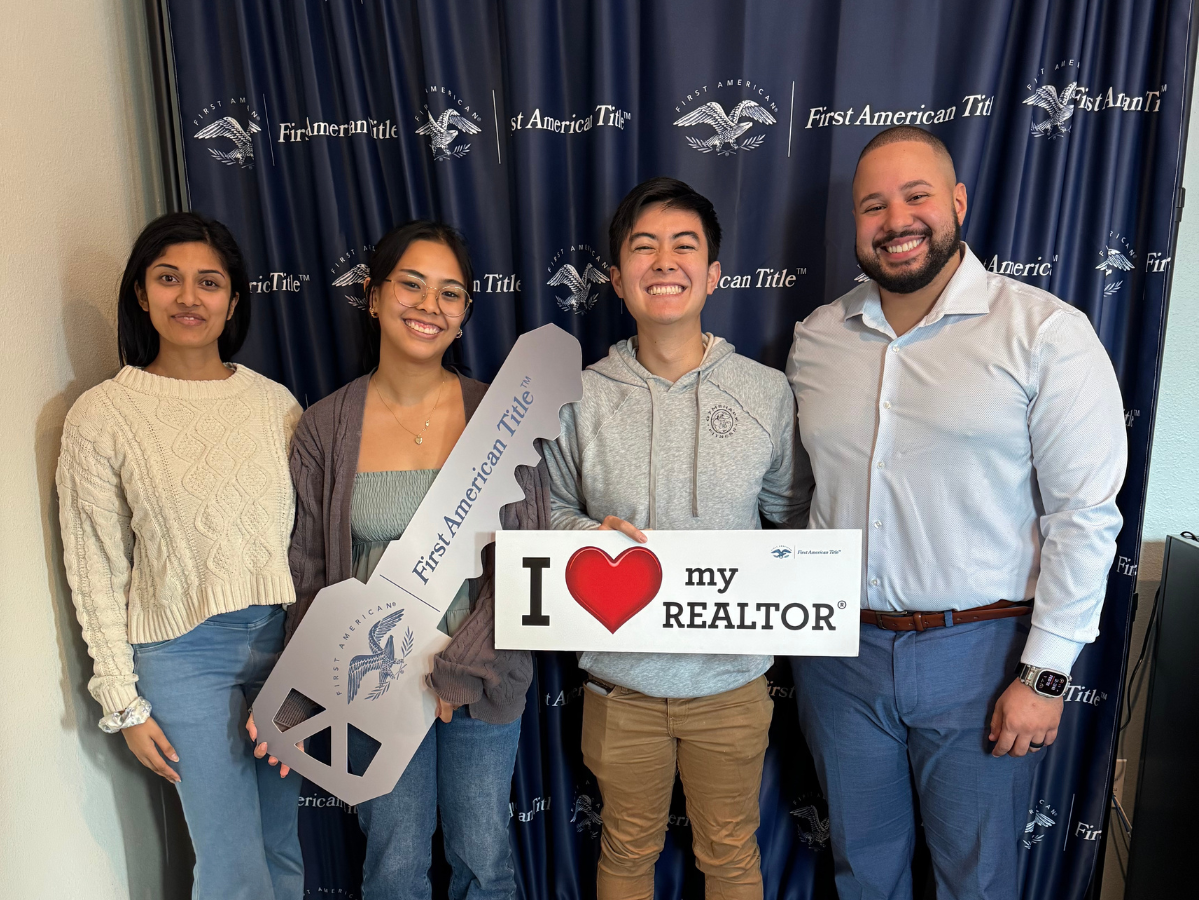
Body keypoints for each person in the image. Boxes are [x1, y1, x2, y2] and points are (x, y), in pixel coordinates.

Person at [786, 125, 1127, 900]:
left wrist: (1045, 675)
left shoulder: (1044, 332)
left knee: (978, 881)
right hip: (838, 656)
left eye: (916, 196)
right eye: (873, 205)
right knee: (863, 873)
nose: (895, 219)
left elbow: (1084, 515)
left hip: (983, 656)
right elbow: (800, 497)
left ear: (958, 202)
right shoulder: (816, 339)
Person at [542, 177, 810, 900]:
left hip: (730, 686)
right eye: (645, 246)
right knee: (626, 853)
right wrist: (586, 534)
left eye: (684, 246)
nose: (665, 261)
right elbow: (552, 508)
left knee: (730, 855)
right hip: (619, 686)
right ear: (618, 277)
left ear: (714, 274)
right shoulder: (579, 395)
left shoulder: (764, 392)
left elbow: (791, 518)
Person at [272, 221, 548, 900]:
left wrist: (465, 670)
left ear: (463, 315)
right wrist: (313, 692)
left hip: (483, 679)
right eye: (413, 285)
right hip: (372, 688)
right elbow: (308, 573)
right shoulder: (326, 427)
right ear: (373, 296)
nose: (430, 305)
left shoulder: (501, 417)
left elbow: (527, 561)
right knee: (393, 868)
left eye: (450, 293)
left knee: (485, 861)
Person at [56, 212, 305, 899]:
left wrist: (314, 663)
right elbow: (96, 567)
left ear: (233, 299)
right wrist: (124, 702)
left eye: (208, 282)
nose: (189, 298)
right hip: (182, 658)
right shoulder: (103, 416)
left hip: (282, 646)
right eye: (169, 279)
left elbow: (306, 546)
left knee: (281, 850)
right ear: (141, 293)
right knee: (231, 868)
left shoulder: (277, 406)